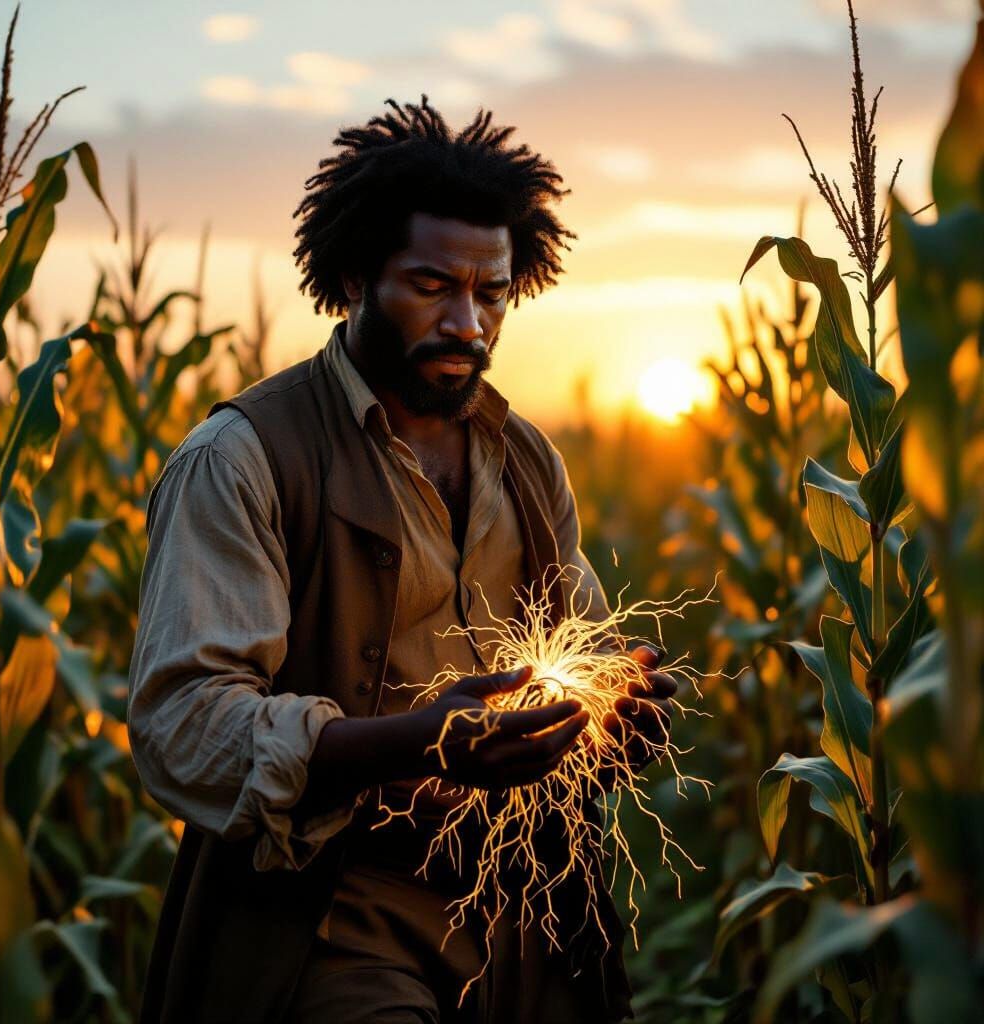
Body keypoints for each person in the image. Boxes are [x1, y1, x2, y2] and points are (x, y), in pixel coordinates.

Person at [128, 95, 678, 1024]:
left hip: (526, 915)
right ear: (356, 274)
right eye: (433, 286)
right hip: (337, 912)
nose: (469, 322)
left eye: (492, 293)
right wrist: (412, 746)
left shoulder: (530, 463)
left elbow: (576, 651)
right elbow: (182, 724)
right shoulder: (243, 459)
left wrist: (613, 720)